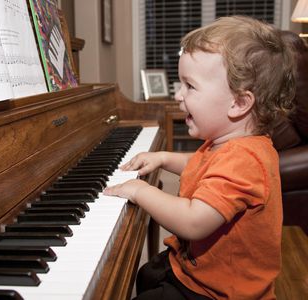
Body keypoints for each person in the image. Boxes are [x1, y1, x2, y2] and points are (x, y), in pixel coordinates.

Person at [103, 15, 296, 299]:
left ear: (239, 103)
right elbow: (203, 165)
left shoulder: (245, 160)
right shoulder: (226, 145)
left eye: (189, 86)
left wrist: (140, 190)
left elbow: (193, 221)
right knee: (148, 274)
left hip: (218, 292)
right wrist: (165, 158)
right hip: (197, 269)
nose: (179, 96)